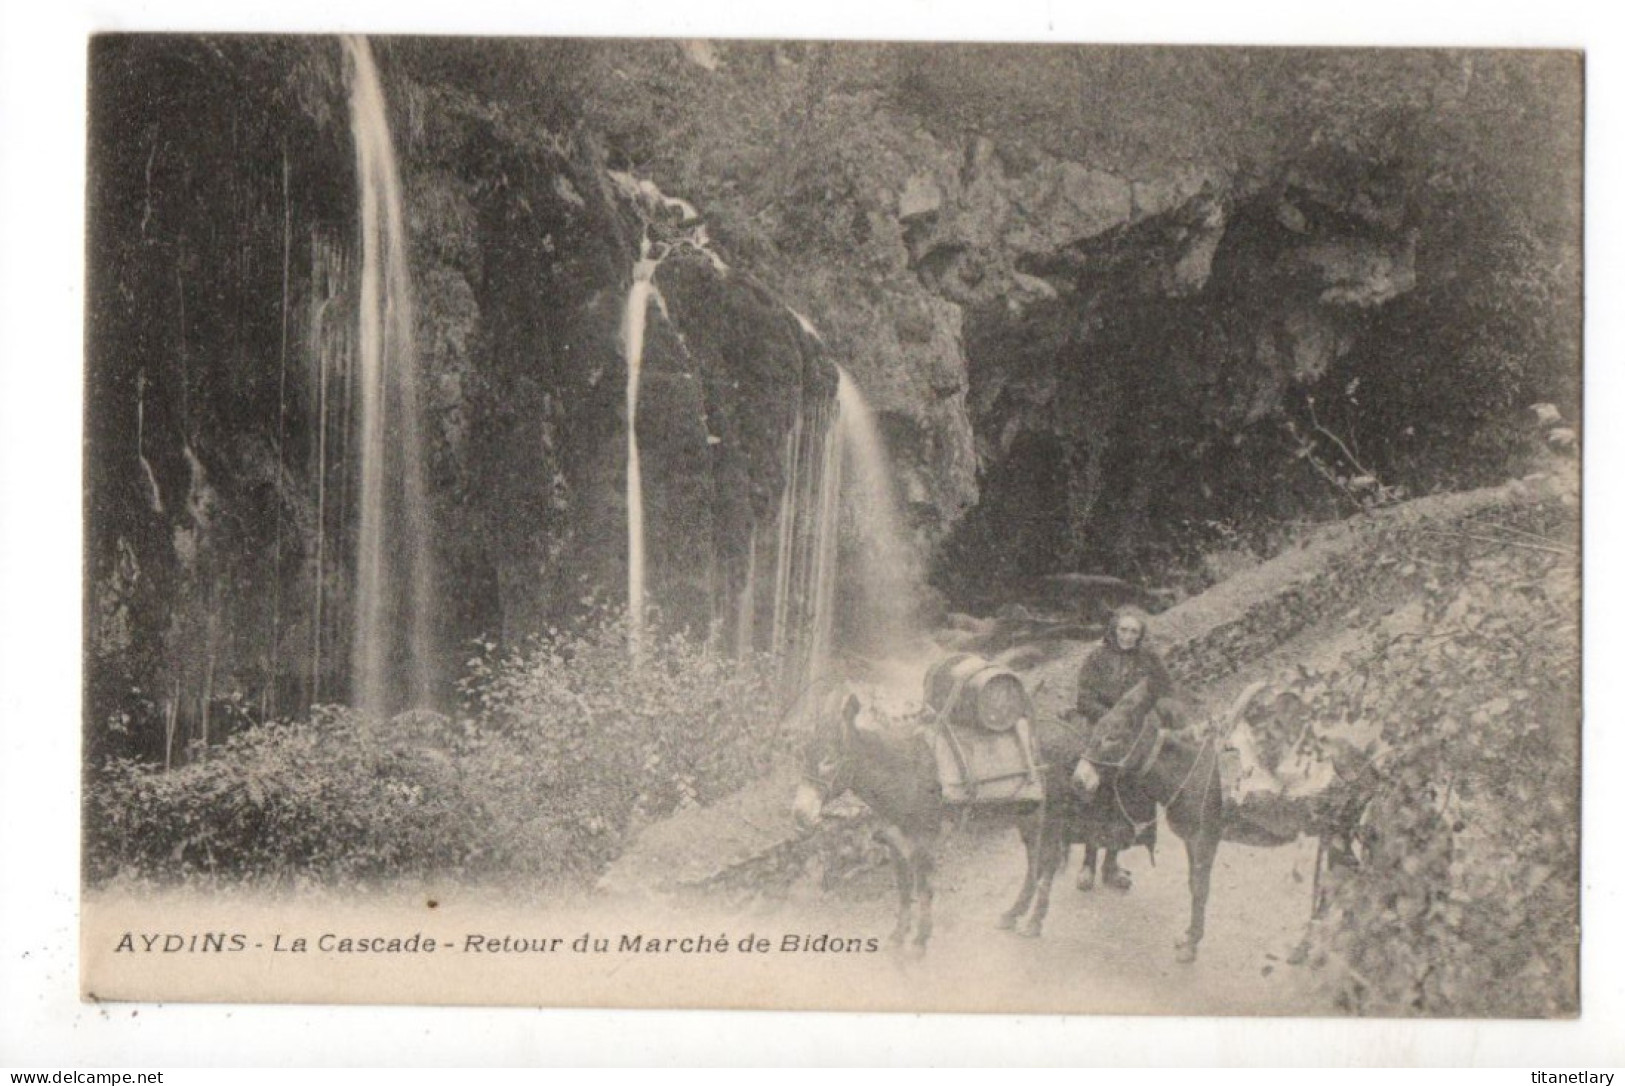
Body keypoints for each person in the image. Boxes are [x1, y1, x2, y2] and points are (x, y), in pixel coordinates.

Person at [1068, 605, 1178, 891]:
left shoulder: (1149, 660)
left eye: (1133, 632)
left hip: (1134, 734)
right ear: (1113, 630)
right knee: (1095, 791)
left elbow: (1166, 692)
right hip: (1102, 729)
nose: (1127, 636)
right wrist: (1110, 718)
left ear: (1140, 635)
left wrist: (1151, 714)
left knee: (1128, 796)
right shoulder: (1097, 658)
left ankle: (1111, 865)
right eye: (1123, 630)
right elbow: (1084, 698)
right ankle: (1088, 863)